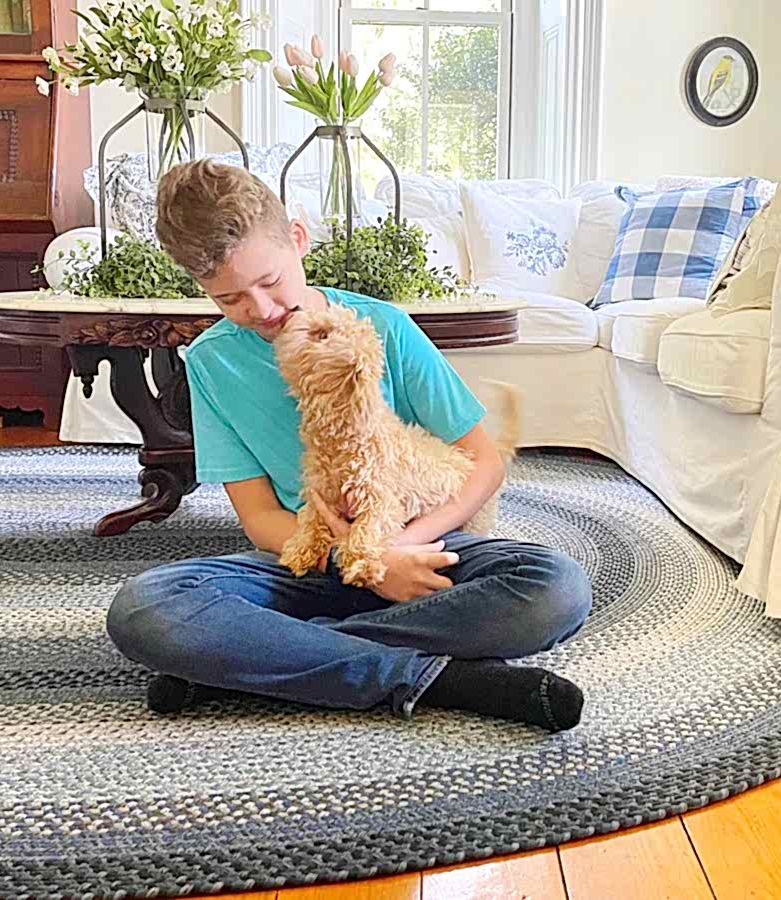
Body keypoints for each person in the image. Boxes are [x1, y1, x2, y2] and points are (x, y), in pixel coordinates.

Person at [103, 161, 592, 732]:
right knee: (144, 608)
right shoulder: (212, 363)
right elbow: (261, 518)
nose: (261, 311)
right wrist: (357, 562)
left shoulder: (383, 327)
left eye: (270, 282)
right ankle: (443, 678)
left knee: (556, 588)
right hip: (305, 562)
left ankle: (252, 661)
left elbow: (482, 464)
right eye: (231, 298)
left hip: (425, 549)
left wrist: (393, 553)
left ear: (298, 238)